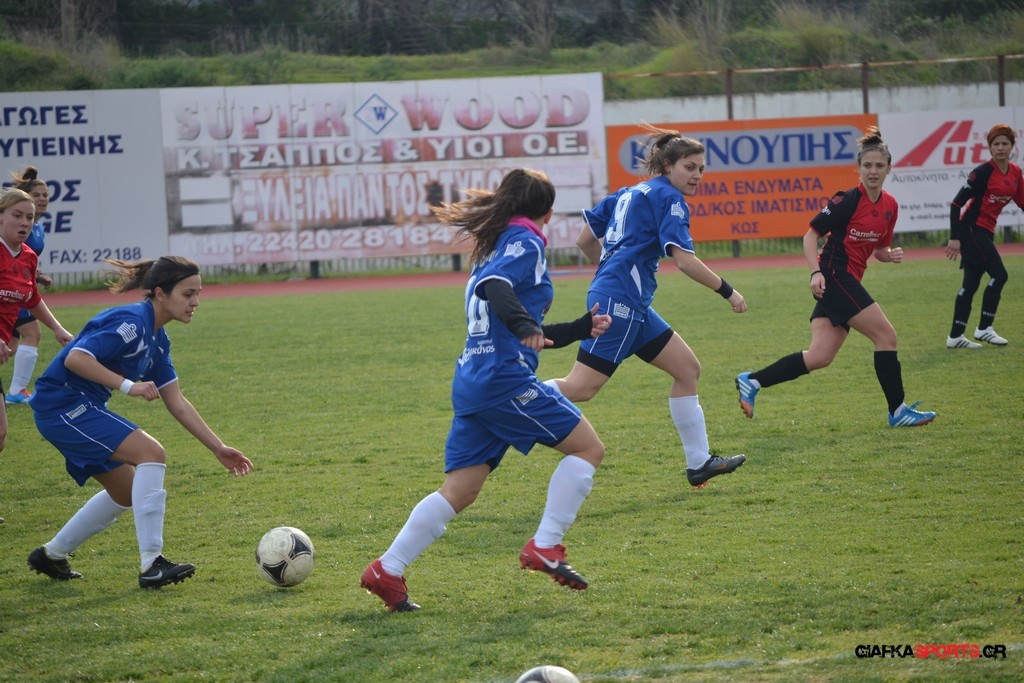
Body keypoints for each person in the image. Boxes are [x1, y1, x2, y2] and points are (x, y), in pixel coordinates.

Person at [360, 169, 611, 612]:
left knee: (460, 490)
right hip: (503, 380)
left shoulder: (493, 246)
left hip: (474, 380)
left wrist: (579, 328)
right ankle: (546, 545)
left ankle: (388, 569)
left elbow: (517, 324)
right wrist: (524, 324)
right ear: (548, 212)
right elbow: (497, 291)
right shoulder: (525, 242)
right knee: (588, 449)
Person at [27, 256, 253, 588]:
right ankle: (152, 564)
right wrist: (128, 386)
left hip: (79, 407)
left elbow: (177, 402)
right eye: (188, 293)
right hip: (62, 406)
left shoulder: (158, 340)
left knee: (125, 491)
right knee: (151, 452)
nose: (195, 302)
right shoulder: (131, 322)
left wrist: (217, 447)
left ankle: (52, 554)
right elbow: (76, 358)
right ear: (160, 293)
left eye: (198, 293)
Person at [543, 124, 747, 489]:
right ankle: (512, 400)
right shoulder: (669, 198)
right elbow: (684, 261)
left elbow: (584, 239)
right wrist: (728, 291)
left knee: (687, 369)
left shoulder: (628, 192)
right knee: (581, 387)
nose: (697, 175)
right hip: (620, 301)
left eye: (701, 168)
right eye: (689, 167)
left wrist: (610, 271)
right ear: (668, 166)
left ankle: (699, 463)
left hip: (627, 300)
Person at [735, 126, 936, 428]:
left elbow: (879, 250)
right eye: (867, 165)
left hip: (846, 281)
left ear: (889, 169)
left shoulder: (890, 206)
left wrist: (889, 255)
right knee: (886, 336)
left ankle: (752, 381)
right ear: (858, 168)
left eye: (879, 166)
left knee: (820, 356)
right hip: (834, 275)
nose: (873, 171)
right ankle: (898, 411)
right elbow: (809, 236)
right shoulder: (847, 201)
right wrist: (815, 272)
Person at [0, 188, 73, 456]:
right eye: (17, 215)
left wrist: (57, 328)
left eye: (29, 217)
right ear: (1, 217)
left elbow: (31, 298)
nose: (24, 223)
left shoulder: (28, 256)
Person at [944, 123, 1023, 348]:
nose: (1000, 148)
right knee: (1000, 275)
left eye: (1004, 143)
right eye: (995, 144)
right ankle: (984, 328)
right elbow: (956, 204)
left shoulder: (1016, 173)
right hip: (971, 229)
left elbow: (1022, 202)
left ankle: (955, 337)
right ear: (989, 147)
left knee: (970, 285)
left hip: (985, 232)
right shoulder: (982, 173)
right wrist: (955, 238)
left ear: (1012, 146)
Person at [6, 166, 54, 404]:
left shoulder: (37, 227)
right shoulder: (13, 229)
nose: (42, 199)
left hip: (22, 290)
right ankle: (17, 391)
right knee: (32, 333)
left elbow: (23, 261)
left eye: (45, 195)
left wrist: (38, 276)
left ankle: (15, 391)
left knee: (11, 344)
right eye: (37, 195)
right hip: (13, 293)